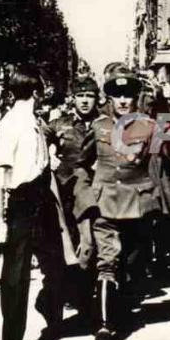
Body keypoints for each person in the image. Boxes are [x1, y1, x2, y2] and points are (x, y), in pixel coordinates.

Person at [72, 65, 162, 340]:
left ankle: (120, 308)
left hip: (138, 205)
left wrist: (158, 202)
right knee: (107, 262)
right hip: (106, 203)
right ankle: (105, 326)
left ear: (136, 98)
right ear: (109, 99)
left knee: (133, 263)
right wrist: (86, 196)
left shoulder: (149, 127)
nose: (123, 100)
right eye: (117, 95)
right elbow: (81, 165)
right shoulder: (99, 126)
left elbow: (158, 166)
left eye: (128, 95)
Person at [0, 66, 67, 340]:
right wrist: (0, 219)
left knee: (56, 262)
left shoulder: (36, 121)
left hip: (41, 196)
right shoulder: (11, 123)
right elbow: (0, 171)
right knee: (15, 274)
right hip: (22, 201)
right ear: (36, 92)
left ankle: (49, 309)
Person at [45, 77, 101, 323]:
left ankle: (88, 296)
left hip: (98, 194)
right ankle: (73, 295)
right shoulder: (61, 124)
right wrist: (48, 152)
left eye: (89, 96)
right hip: (65, 194)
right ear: (73, 99)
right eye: (81, 96)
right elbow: (39, 134)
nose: (85, 101)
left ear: (96, 98)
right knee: (69, 246)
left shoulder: (105, 124)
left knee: (92, 245)